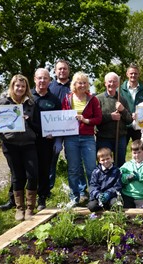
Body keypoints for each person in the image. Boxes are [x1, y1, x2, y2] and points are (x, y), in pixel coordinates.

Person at [0, 75, 40, 220]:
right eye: (17, 86)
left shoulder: (31, 104)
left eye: (23, 86)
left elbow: (38, 126)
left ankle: (30, 208)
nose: (20, 88)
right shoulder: (3, 102)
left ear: (26, 88)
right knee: (17, 176)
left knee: (32, 175)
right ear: (12, 87)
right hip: (10, 145)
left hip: (28, 144)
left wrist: (28, 121)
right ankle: (20, 209)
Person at [62, 71, 102, 205]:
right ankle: (75, 197)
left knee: (91, 168)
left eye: (85, 82)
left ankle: (94, 195)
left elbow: (98, 118)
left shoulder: (93, 99)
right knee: (74, 168)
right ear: (74, 84)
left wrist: (85, 120)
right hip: (71, 138)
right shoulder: (67, 98)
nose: (82, 85)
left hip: (88, 137)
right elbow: (61, 117)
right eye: (80, 82)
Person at [48, 59, 86, 193]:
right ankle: (48, 190)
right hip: (54, 129)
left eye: (65, 68)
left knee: (75, 160)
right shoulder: (50, 86)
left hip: (73, 129)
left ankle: (81, 190)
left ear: (68, 71)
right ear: (55, 71)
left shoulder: (76, 85)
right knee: (51, 160)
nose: (62, 71)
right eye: (60, 69)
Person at [31, 68, 62, 211]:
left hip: (46, 141)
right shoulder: (27, 97)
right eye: (39, 78)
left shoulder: (54, 100)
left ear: (50, 81)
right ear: (34, 79)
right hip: (29, 141)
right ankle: (21, 197)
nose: (42, 81)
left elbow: (59, 120)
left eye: (45, 78)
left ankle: (42, 197)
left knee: (44, 169)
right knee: (29, 170)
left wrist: (56, 136)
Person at [96, 72, 133, 167]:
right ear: (105, 83)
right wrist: (110, 117)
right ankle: (103, 181)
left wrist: (123, 110)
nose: (112, 84)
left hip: (120, 138)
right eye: (110, 81)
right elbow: (96, 119)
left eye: (114, 82)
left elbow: (129, 120)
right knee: (104, 164)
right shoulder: (98, 99)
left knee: (120, 163)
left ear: (118, 84)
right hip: (103, 138)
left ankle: (119, 181)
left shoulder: (122, 100)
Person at [120, 139, 143, 208]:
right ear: (131, 153)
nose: (136, 155)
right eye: (134, 153)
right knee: (123, 211)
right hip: (128, 195)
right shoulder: (127, 165)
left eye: (139, 152)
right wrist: (126, 177)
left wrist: (139, 177)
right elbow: (120, 176)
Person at [87, 147, 122, 212]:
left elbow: (118, 186)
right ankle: (102, 208)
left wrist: (108, 194)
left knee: (116, 204)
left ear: (112, 158)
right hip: (99, 197)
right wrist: (98, 195)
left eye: (108, 158)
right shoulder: (96, 172)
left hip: (111, 196)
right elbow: (92, 186)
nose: (106, 161)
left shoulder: (117, 171)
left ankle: (110, 209)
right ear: (99, 161)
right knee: (91, 206)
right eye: (103, 160)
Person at [120, 63, 143, 147]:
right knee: (121, 151)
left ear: (138, 74)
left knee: (140, 150)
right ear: (127, 74)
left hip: (139, 125)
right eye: (131, 73)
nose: (133, 75)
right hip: (124, 125)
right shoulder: (120, 90)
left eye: (135, 73)